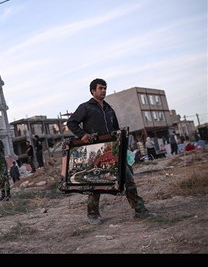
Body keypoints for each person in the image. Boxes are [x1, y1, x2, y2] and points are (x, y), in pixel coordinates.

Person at [67, 78, 157, 225]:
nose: (103, 90)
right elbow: (71, 122)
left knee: (129, 181)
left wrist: (123, 147)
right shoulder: (86, 107)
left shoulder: (109, 109)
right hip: (97, 152)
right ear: (93, 91)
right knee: (96, 184)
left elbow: (115, 130)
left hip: (114, 150)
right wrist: (82, 135)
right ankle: (93, 215)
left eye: (105, 88)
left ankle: (140, 210)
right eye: (100, 88)